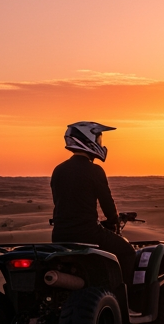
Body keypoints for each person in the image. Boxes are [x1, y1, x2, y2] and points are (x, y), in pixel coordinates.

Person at [50, 122, 137, 304]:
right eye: (99, 139)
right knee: (127, 251)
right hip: (88, 234)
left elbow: (63, 203)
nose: (100, 143)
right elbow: (107, 203)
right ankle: (126, 301)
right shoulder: (94, 170)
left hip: (60, 236)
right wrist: (113, 220)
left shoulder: (58, 170)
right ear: (88, 139)